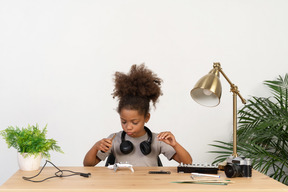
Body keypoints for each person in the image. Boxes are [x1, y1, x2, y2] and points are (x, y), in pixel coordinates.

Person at [83, 64, 192, 166]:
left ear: (146, 118)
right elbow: (88, 165)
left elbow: (188, 163)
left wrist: (175, 145)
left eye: (134, 122)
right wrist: (95, 147)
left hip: (149, 186)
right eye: (123, 121)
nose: (128, 127)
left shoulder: (157, 140)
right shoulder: (114, 139)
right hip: (121, 186)